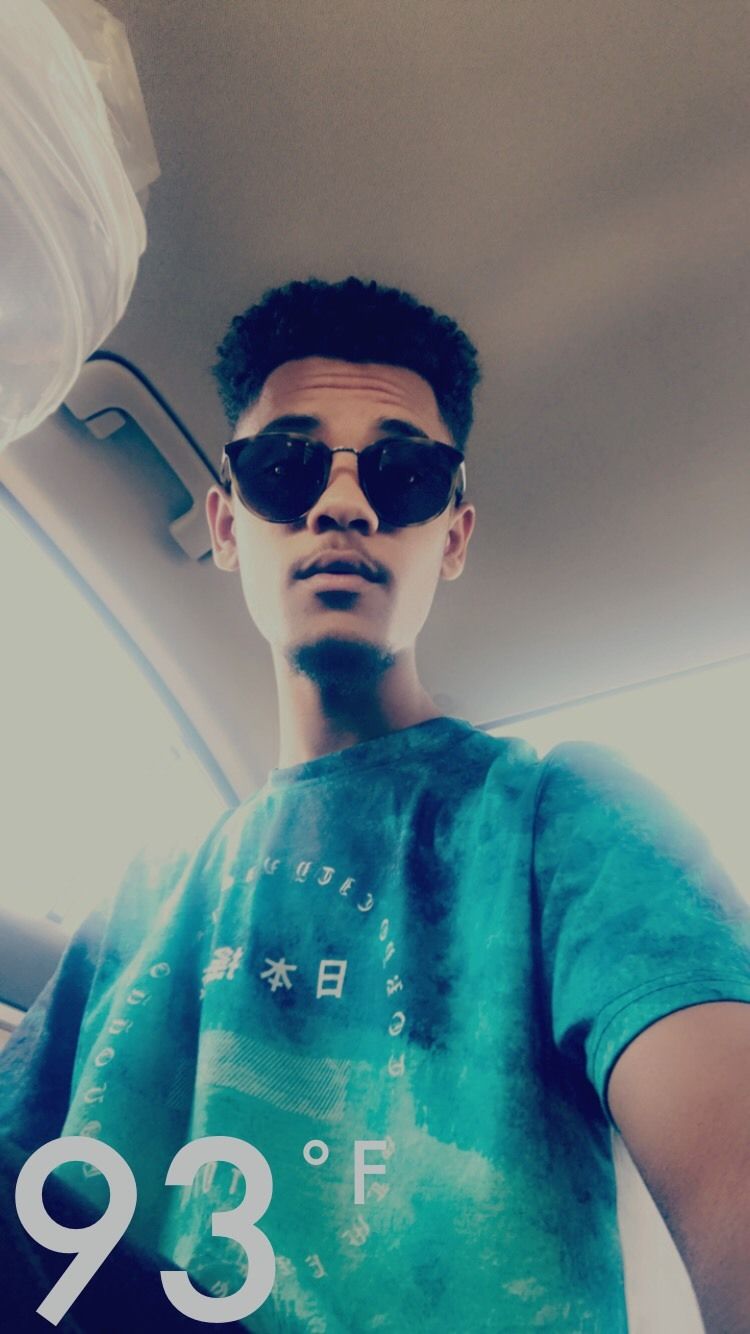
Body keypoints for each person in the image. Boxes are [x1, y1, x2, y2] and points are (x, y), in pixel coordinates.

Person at [2, 275, 750, 1333]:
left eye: (402, 474)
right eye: (287, 465)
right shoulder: (142, 896)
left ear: (453, 534)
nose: (344, 503)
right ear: (226, 521)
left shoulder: (563, 819)